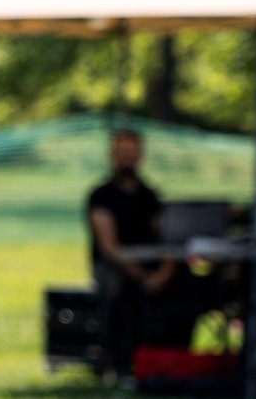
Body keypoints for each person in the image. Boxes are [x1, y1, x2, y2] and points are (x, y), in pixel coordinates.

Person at [86, 129, 176, 380]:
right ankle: (119, 363)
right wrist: (142, 277)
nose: (128, 158)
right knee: (118, 286)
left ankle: (174, 359)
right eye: (123, 152)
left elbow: (167, 238)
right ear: (112, 155)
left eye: (133, 152)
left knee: (189, 283)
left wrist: (165, 272)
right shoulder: (101, 196)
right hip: (116, 265)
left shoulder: (150, 196)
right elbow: (110, 248)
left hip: (152, 264)